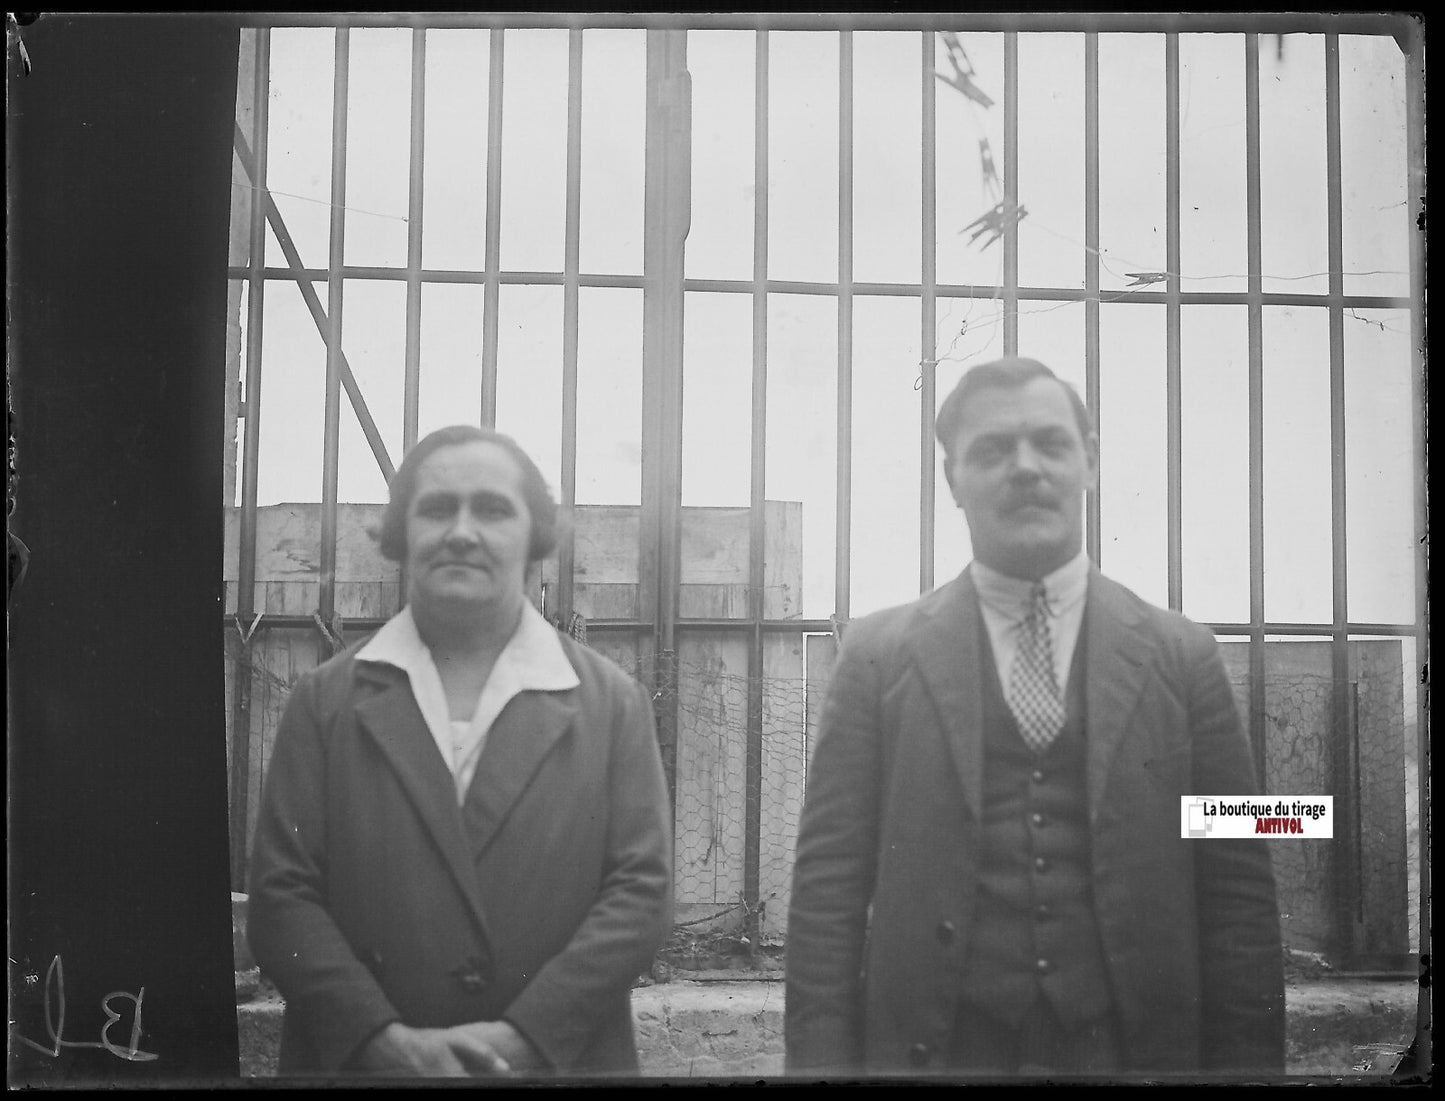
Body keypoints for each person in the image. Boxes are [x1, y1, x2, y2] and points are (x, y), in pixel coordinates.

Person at [785, 356, 1285, 1077]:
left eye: (1050, 443)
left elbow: (1238, 890)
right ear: (951, 479)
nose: (1025, 467)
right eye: (991, 450)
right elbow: (827, 888)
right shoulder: (875, 657)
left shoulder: (1184, 657)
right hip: (935, 1053)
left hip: (1134, 1054)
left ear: (1089, 461)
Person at [248, 424, 673, 1078]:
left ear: (534, 535)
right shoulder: (324, 701)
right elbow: (281, 898)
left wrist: (525, 1037)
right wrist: (382, 1041)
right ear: (402, 532)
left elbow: (639, 894)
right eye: (438, 507)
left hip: (554, 1063)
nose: (462, 531)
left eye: (493, 508)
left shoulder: (611, 703)